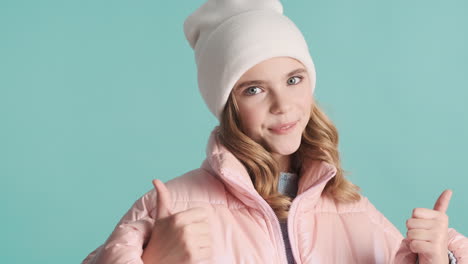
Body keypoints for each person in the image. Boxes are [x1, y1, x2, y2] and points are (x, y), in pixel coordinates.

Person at [82, 0, 468, 263]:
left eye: (294, 79)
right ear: (226, 104)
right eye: (254, 89)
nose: (283, 105)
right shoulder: (169, 210)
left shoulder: (353, 210)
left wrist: (439, 258)